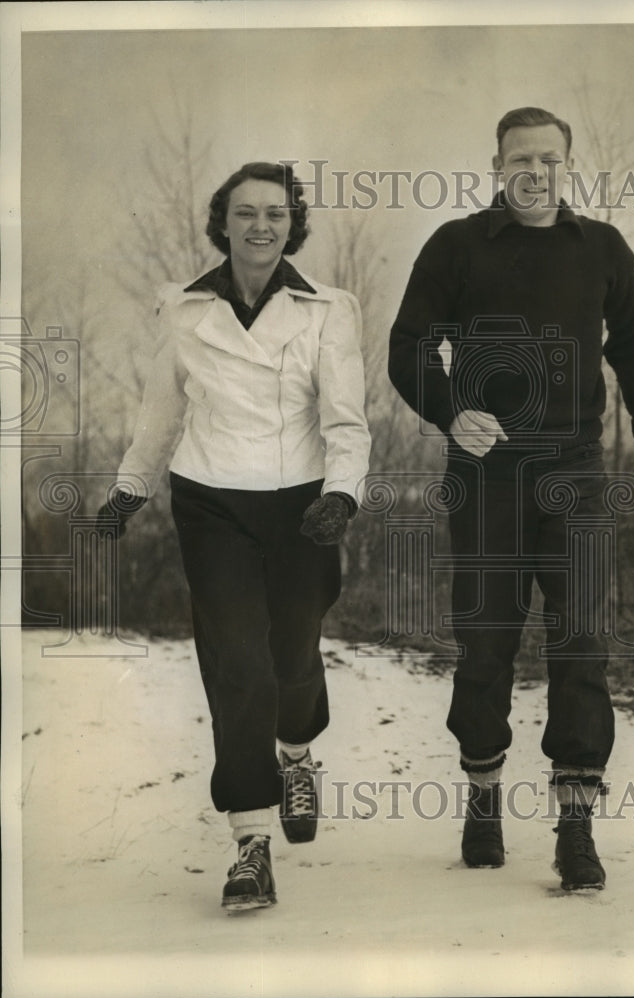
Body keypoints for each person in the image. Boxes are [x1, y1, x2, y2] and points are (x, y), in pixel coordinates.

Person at [388, 107, 634, 891]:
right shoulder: (457, 245)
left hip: (576, 472)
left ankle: (574, 828)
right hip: (486, 477)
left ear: (566, 166)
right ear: (497, 165)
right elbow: (408, 344)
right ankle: (483, 796)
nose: (534, 172)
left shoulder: (602, 248)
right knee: (486, 645)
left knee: (581, 640)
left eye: (548, 159)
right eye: (520, 160)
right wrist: (449, 409)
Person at [97, 161, 371, 912]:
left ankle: (298, 754)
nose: (261, 226)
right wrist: (129, 489)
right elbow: (161, 414)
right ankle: (251, 842)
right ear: (223, 222)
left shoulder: (328, 310)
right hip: (212, 501)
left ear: (293, 223)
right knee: (238, 663)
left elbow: (346, 418)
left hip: (303, 507)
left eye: (276, 214)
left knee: (292, 654)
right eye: (246, 213)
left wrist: (343, 496)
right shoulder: (183, 311)